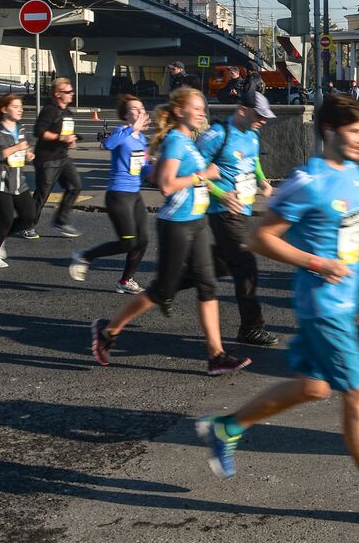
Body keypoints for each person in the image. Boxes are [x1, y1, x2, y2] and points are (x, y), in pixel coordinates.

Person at [193, 94, 359, 521]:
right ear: (329, 131)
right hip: (324, 307)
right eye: (355, 131)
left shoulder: (354, 175)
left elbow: (344, 230)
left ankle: (226, 427)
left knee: (314, 387)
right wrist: (316, 262)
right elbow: (259, 237)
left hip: (340, 303)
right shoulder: (308, 180)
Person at [91, 86, 251, 376]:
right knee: (163, 290)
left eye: (203, 106)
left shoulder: (188, 141)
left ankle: (216, 355)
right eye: (197, 107)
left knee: (207, 285)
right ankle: (108, 330)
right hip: (176, 223)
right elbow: (166, 185)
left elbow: (158, 174)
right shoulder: (178, 140)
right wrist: (203, 174)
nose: (203, 111)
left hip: (197, 219)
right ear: (180, 111)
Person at [195, 91, 278, 347]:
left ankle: (165, 287)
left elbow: (253, 162)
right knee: (245, 264)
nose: (263, 120)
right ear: (243, 110)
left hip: (242, 210)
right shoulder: (217, 135)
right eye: (259, 115)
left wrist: (263, 180)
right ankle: (251, 328)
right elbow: (195, 172)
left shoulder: (252, 134)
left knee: (219, 265)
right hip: (223, 212)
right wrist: (221, 194)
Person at [69, 95, 152, 294]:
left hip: (135, 195)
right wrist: (133, 128)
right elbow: (108, 144)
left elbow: (143, 169)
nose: (140, 111)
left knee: (143, 241)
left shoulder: (141, 138)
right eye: (134, 108)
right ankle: (85, 256)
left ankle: (125, 280)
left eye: (141, 107)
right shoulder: (122, 131)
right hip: (118, 194)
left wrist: (160, 170)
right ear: (125, 114)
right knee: (128, 242)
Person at [0, 93, 36, 268]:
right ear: (4, 109)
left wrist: (28, 154)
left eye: (21, 107)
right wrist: (15, 148)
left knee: (29, 218)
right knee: (5, 220)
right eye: (15, 106)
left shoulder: (19, 128)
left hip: (18, 180)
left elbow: (23, 150)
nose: (20, 110)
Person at [30, 77, 83, 238]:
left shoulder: (67, 112)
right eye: (68, 92)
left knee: (75, 186)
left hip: (62, 156)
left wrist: (71, 140)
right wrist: (61, 138)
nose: (72, 94)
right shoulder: (50, 110)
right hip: (47, 159)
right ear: (57, 93)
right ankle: (27, 225)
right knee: (42, 194)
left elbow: (65, 133)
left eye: (72, 91)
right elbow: (39, 131)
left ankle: (60, 221)